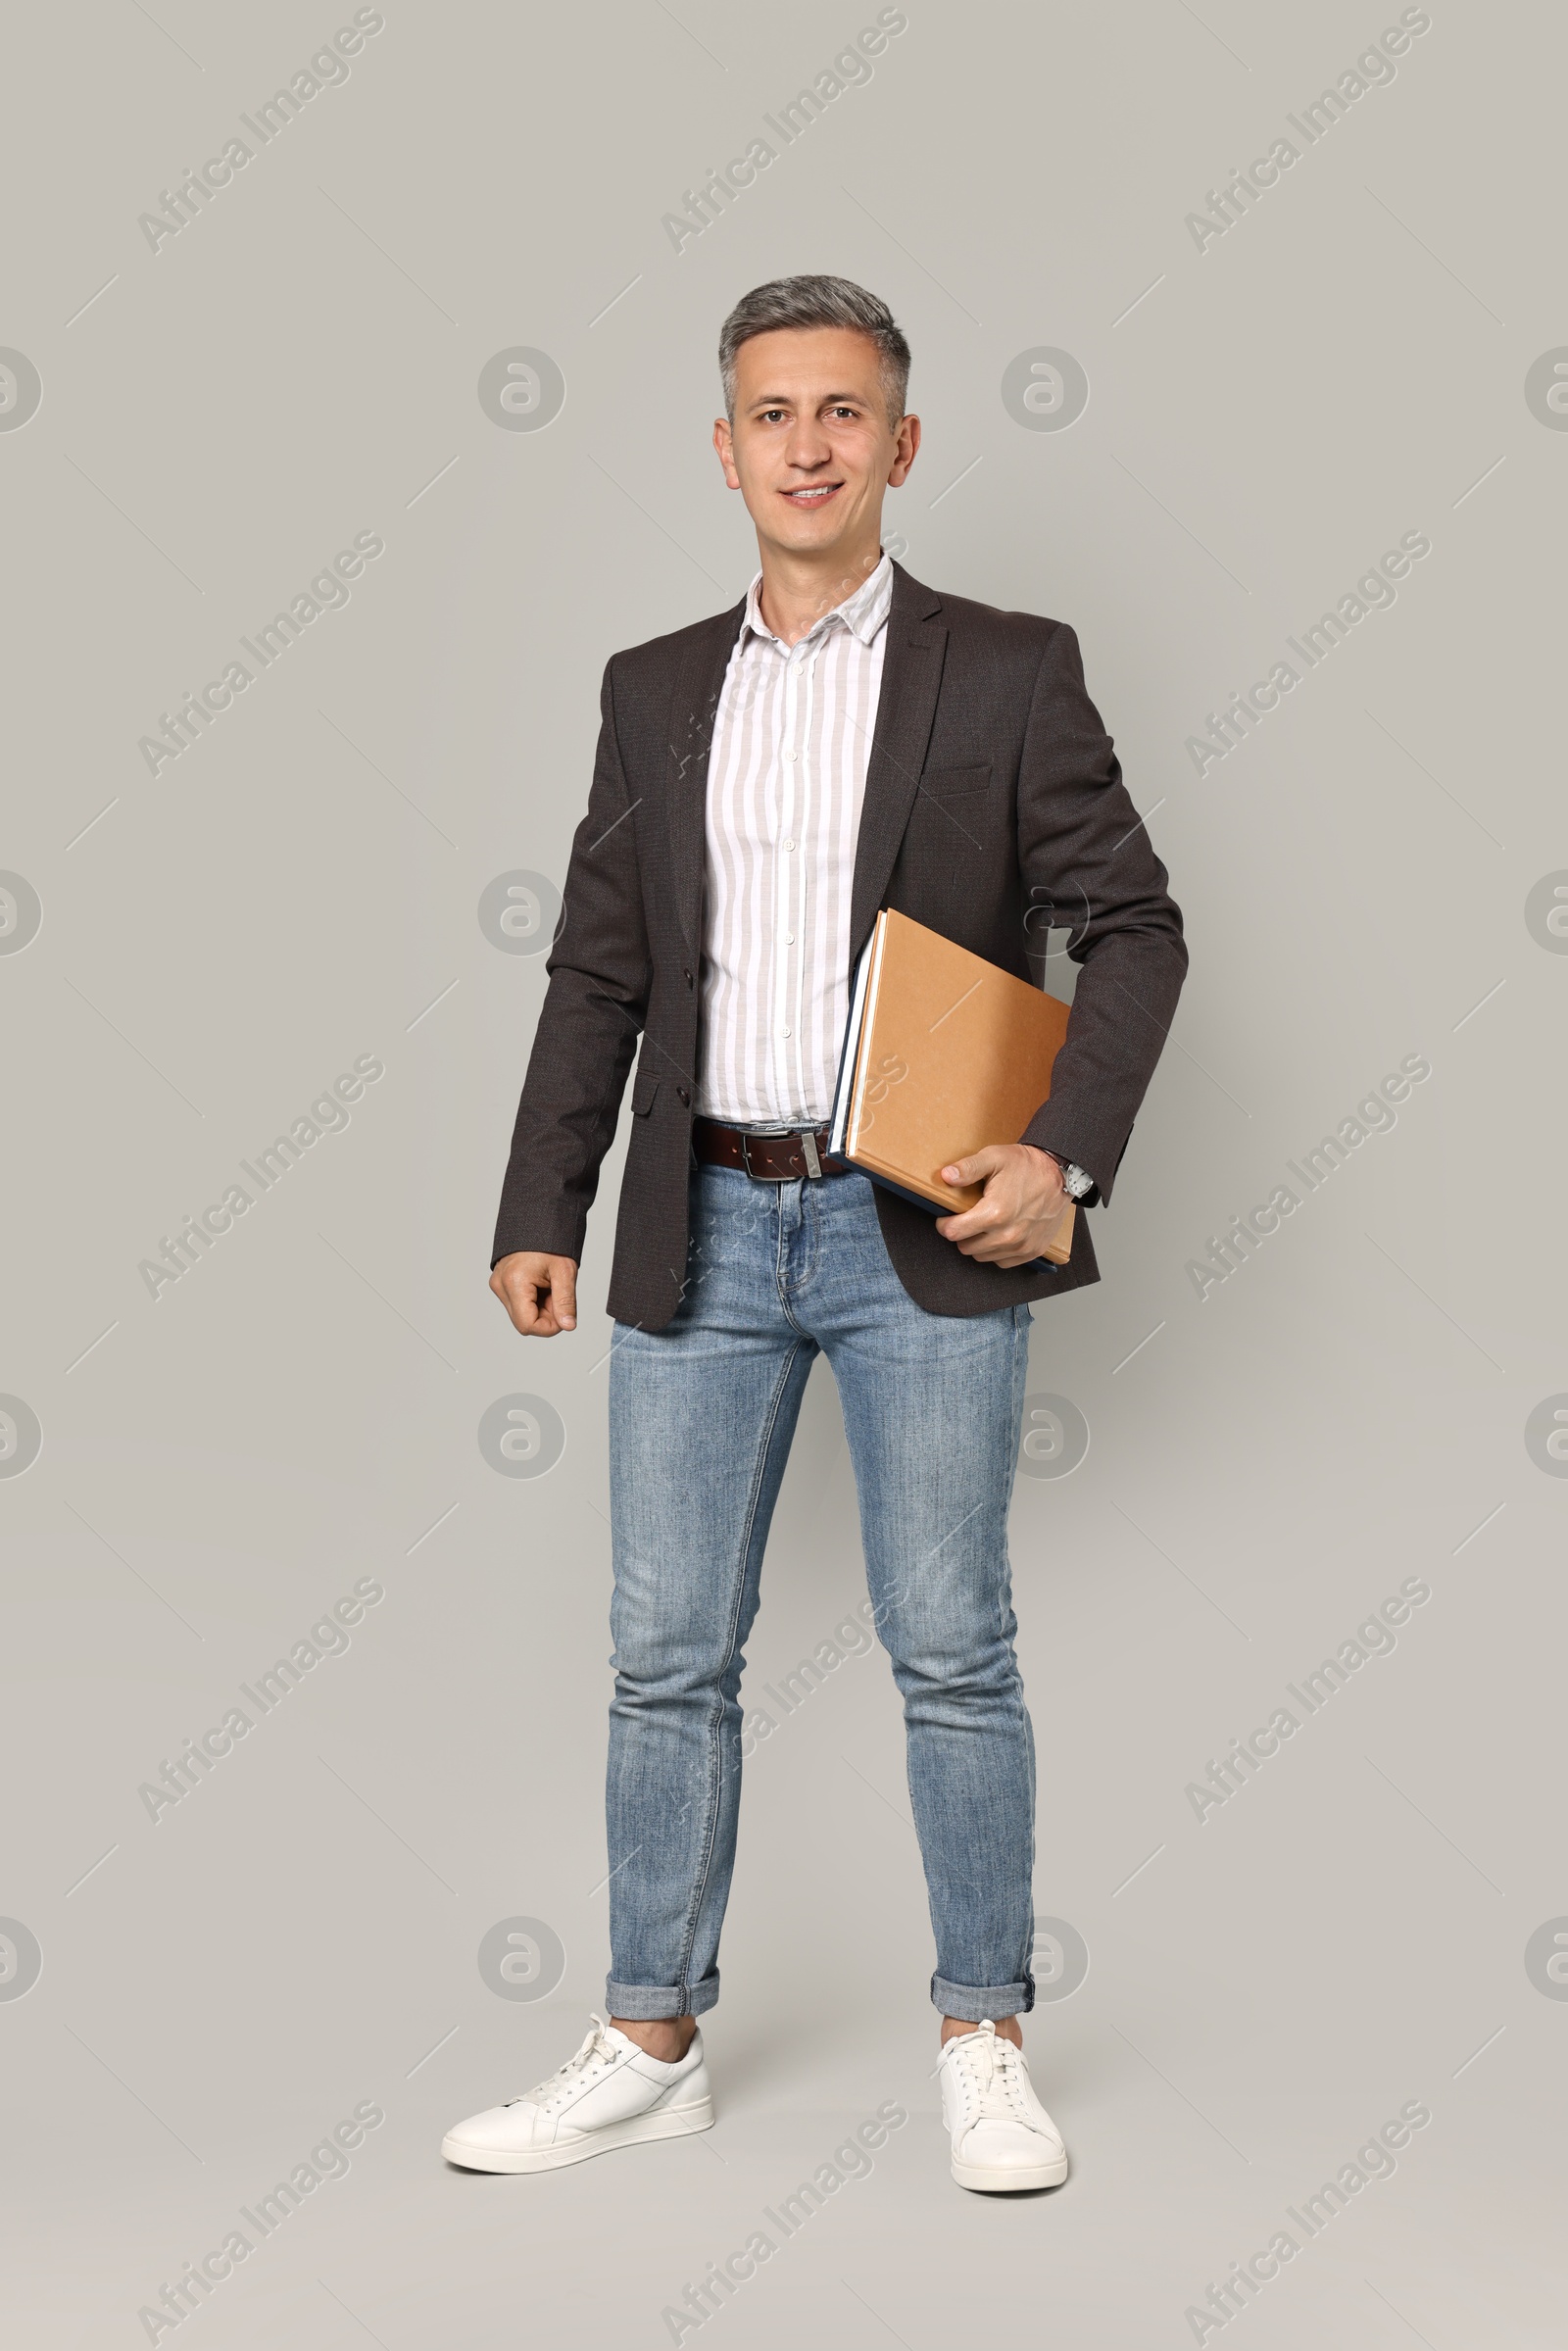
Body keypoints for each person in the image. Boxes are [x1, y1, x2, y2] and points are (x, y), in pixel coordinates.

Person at [442, 275, 1186, 2192]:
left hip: (915, 1229)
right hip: (703, 1221)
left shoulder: (1007, 670)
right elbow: (598, 964)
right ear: (723, 448)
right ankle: (645, 2038)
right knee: (663, 1650)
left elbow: (1136, 926)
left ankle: (981, 2035)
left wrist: (1062, 1158)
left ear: (900, 445)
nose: (807, 445)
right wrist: (548, 1203)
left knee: (950, 1643)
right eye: (772, 413)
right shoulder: (651, 687)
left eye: (843, 412)